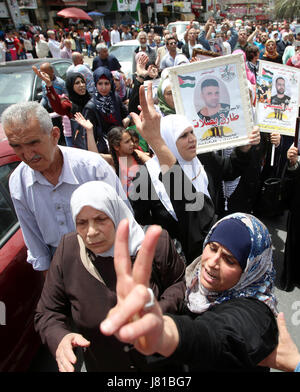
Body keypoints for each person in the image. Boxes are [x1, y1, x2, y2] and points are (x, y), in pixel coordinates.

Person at [34, 181, 186, 372]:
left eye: (100, 219)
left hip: (160, 363)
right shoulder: (68, 251)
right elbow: (47, 312)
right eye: (81, 223)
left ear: (115, 214)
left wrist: (155, 313)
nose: (91, 232)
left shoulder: (153, 244)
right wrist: (60, 338)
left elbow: (178, 284)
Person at [100, 212, 278, 372]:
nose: (213, 262)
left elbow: (219, 335)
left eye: (229, 260)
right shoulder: (194, 280)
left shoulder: (257, 313)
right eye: (213, 248)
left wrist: (167, 334)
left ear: (250, 269)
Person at [129, 84, 260, 264]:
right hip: (175, 258)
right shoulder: (145, 176)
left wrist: (244, 149)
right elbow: (140, 222)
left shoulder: (202, 157)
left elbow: (229, 170)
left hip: (211, 250)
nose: (192, 139)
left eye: (192, 132)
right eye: (183, 136)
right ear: (168, 141)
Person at [1, 102, 129, 275]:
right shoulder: (18, 182)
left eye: (33, 143)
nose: (28, 154)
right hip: (62, 266)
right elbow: (33, 239)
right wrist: (52, 282)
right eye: (17, 146)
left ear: (54, 135)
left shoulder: (92, 167)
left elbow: (125, 219)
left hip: (110, 255)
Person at [82, 66, 130, 153]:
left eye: (106, 83)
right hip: (104, 150)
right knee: (110, 167)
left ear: (111, 83)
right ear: (95, 84)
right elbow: (88, 135)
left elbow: (126, 114)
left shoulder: (115, 98)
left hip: (120, 145)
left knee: (123, 165)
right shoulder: (91, 107)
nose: (103, 87)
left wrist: (128, 119)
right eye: (100, 84)